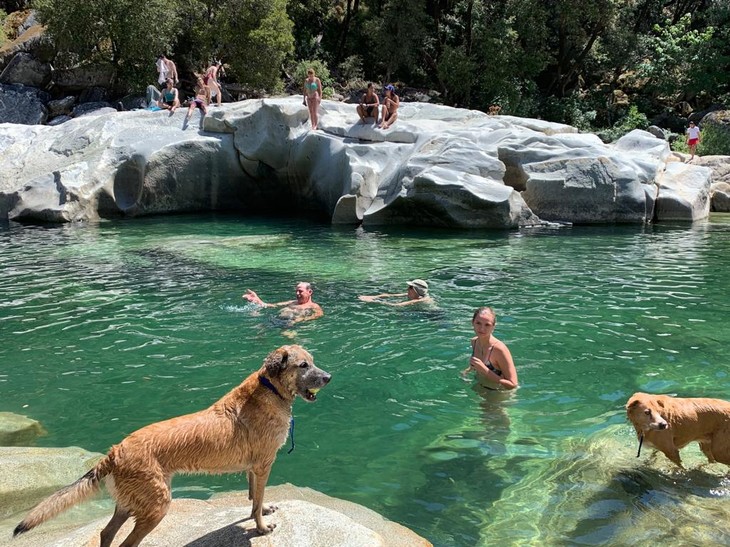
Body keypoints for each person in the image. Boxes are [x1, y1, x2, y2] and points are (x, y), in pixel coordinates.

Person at [461, 307, 518, 391]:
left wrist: (484, 370)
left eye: (487, 325)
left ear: (493, 326)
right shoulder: (474, 342)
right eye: (478, 323)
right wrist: (467, 371)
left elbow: (513, 385)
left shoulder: (499, 349)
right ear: (472, 322)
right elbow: (477, 364)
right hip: (479, 387)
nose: (482, 328)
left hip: (497, 394)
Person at [243, 282, 324, 324]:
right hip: (276, 321)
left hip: (290, 324)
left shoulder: (313, 306)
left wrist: (299, 320)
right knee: (259, 327)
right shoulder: (292, 302)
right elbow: (272, 305)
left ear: (309, 292)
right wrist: (258, 300)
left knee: (287, 335)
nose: (297, 294)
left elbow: (318, 315)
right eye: (296, 291)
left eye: (300, 291)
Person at [358, 279, 433, 306]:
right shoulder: (417, 295)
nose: (407, 289)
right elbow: (390, 295)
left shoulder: (420, 300)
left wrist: (373, 301)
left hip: (434, 317)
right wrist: (373, 297)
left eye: (410, 287)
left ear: (416, 291)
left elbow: (397, 305)